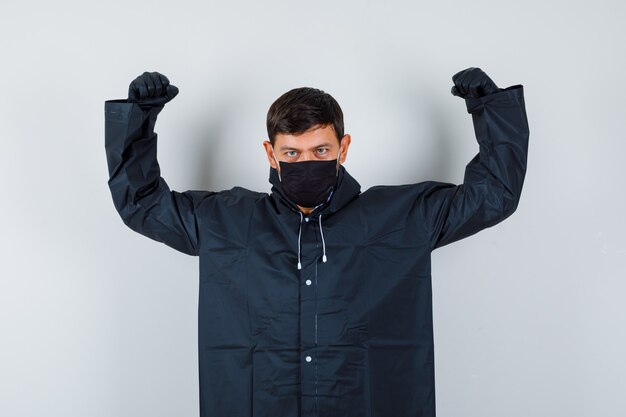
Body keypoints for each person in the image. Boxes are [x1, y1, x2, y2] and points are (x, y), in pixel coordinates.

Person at [104, 67, 529, 417]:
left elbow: (493, 196)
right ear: (271, 154)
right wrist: (138, 119)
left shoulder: (400, 218)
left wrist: (490, 110)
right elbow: (141, 204)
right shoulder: (226, 221)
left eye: (320, 150)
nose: (306, 162)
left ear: (343, 148)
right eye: (292, 153)